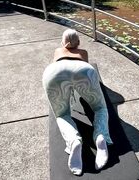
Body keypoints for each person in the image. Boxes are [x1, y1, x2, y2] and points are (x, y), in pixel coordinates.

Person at [42, 29, 113, 175]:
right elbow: (80, 82)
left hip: (54, 72)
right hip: (84, 70)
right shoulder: (84, 52)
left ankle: (74, 141)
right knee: (100, 108)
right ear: (78, 42)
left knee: (62, 114)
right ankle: (100, 136)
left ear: (63, 42)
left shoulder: (57, 51)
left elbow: (66, 77)